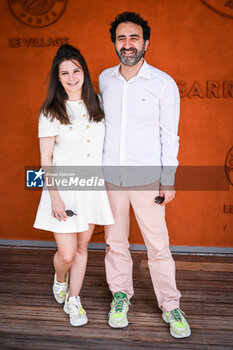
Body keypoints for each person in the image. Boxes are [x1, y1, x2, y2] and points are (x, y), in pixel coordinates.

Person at [99, 12, 191, 338]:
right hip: (110, 178)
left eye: (134, 38)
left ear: (146, 42)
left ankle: (170, 305)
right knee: (115, 243)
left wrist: (169, 179)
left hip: (147, 179)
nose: (128, 44)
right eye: (122, 38)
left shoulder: (163, 84)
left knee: (158, 246)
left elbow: (171, 136)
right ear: (115, 43)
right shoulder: (104, 80)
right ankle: (120, 296)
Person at [34, 44, 114, 327]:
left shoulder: (99, 105)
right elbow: (46, 158)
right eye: (64, 73)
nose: (71, 77)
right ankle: (59, 278)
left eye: (76, 71)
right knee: (66, 254)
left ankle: (74, 299)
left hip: (91, 187)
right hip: (64, 190)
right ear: (58, 78)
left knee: (82, 248)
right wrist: (55, 197)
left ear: (84, 72)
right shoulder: (51, 111)